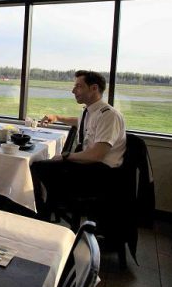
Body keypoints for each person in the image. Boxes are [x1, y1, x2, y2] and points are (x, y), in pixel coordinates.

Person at [31, 70, 126, 221]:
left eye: (79, 86)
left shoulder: (109, 116)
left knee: (38, 167)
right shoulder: (90, 112)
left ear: (94, 88)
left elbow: (96, 155)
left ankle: (42, 212)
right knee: (44, 168)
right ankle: (49, 207)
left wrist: (66, 156)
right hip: (90, 167)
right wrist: (57, 117)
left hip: (102, 174)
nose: (73, 91)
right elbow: (79, 122)